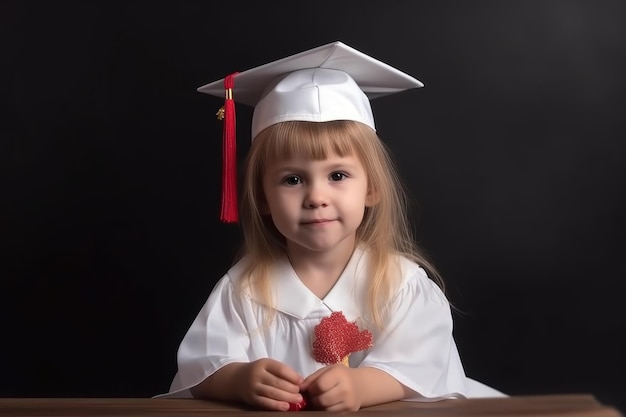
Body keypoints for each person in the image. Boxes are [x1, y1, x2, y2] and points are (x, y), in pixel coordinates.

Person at [155, 41, 505, 411]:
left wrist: (362, 386)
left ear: (371, 188)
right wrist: (239, 380)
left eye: (337, 175)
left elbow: (424, 369)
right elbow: (204, 366)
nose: (316, 196)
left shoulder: (402, 286)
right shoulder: (244, 291)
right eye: (292, 180)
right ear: (262, 199)